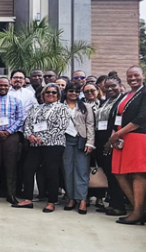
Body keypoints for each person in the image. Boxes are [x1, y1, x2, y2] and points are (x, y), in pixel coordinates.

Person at [13, 83, 70, 212]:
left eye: (54, 92)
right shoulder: (36, 108)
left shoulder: (62, 108)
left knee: (51, 172)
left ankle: (51, 201)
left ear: (58, 95)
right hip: (35, 144)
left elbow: (60, 127)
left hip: (53, 144)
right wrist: (29, 135)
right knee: (28, 169)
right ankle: (27, 199)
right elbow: (27, 124)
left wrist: (43, 138)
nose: (50, 94)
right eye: (47, 92)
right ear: (43, 94)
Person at [109, 66, 146, 225]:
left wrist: (118, 134)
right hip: (121, 137)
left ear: (143, 76)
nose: (133, 78)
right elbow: (117, 116)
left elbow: (142, 117)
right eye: (129, 76)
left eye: (136, 75)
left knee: (138, 174)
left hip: (138, 136)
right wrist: (114, 134)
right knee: (119, 172)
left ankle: (137, 213)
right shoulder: (126, 95)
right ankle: (139, 210)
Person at [94, 77, 127, 216]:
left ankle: (119, 205)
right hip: (101, 141)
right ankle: (112, 203)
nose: (110, 89)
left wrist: (111, 140)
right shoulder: (106, 101)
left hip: (112, 141)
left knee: (115, 174)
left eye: (113, 86)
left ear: (120, 85)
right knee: (108, 173)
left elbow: (120, 122)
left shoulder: (122, 102)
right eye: (107, 87)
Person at [0, 77, 24, 204]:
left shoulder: (16, 101)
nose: (2, 88)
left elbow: (20, 119)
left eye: (5, 85)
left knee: (11, 166)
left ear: (9, 86)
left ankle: (11, 194)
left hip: (11, 136)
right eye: (0, 85)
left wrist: (9, 131)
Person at [61, 82, 95, 214]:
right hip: (65, 140)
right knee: (68, 170)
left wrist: (90, 142)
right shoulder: (60, 106)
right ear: (66, 92)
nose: (73, 93)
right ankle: (71, 198)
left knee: (82, 170)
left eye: (76, 91)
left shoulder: (85, 106)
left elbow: (90, 125)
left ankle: (82, 199)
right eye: (71, 91)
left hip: (81, 140)